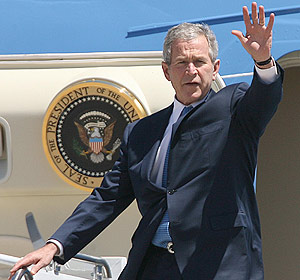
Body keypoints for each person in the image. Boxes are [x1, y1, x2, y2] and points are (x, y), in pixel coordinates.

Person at [9, 2, 283, 280]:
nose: (191, 70)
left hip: (218, 265)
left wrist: (263, 62)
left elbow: (264, 100)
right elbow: (106, 199)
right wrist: (56, 245)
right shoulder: (141, 132)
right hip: (154, 265)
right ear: (167, 71)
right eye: (182, 63)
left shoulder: (235, 107)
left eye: (199, 62)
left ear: (215, 68)